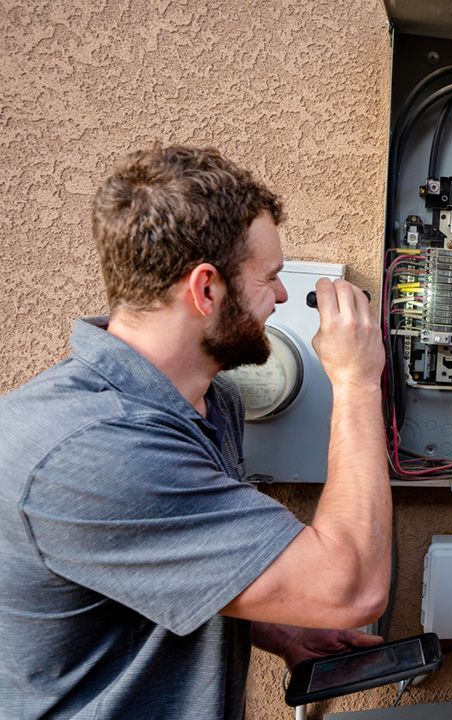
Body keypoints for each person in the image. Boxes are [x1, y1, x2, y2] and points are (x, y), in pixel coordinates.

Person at [0, 144, 392, 718]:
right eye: (270, 278)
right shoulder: (98, 448)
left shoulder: (208, 403)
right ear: (205, 289)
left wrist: (276, 627)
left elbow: (145, 564)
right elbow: (352, 589)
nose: (281, 297)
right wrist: (358, 383)